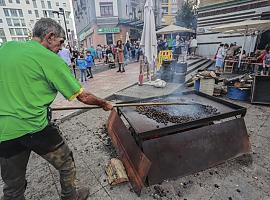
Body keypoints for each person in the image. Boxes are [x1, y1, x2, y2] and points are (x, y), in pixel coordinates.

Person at [0, 18, 113, 200]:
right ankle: (70, 196)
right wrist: (104, 104)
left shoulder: (6, 48)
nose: (61, 48)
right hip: (35, 128)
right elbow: (83, 96)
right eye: (60, 42)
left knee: (13, 186)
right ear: (50, 37)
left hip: (4, 132)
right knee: (66, 163)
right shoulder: (50, 59)